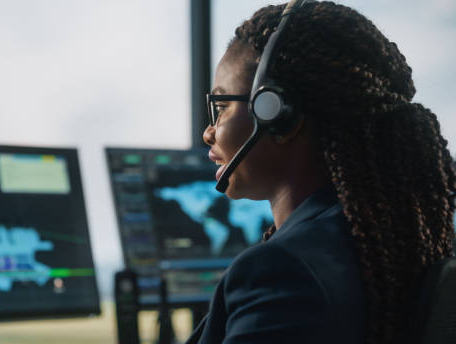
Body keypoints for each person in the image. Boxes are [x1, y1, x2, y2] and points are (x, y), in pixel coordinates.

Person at [187, 1, 455, 343]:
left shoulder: (284, 273)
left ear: (278, 115)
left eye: (222, 107)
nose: (208, 132)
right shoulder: (391, 243)